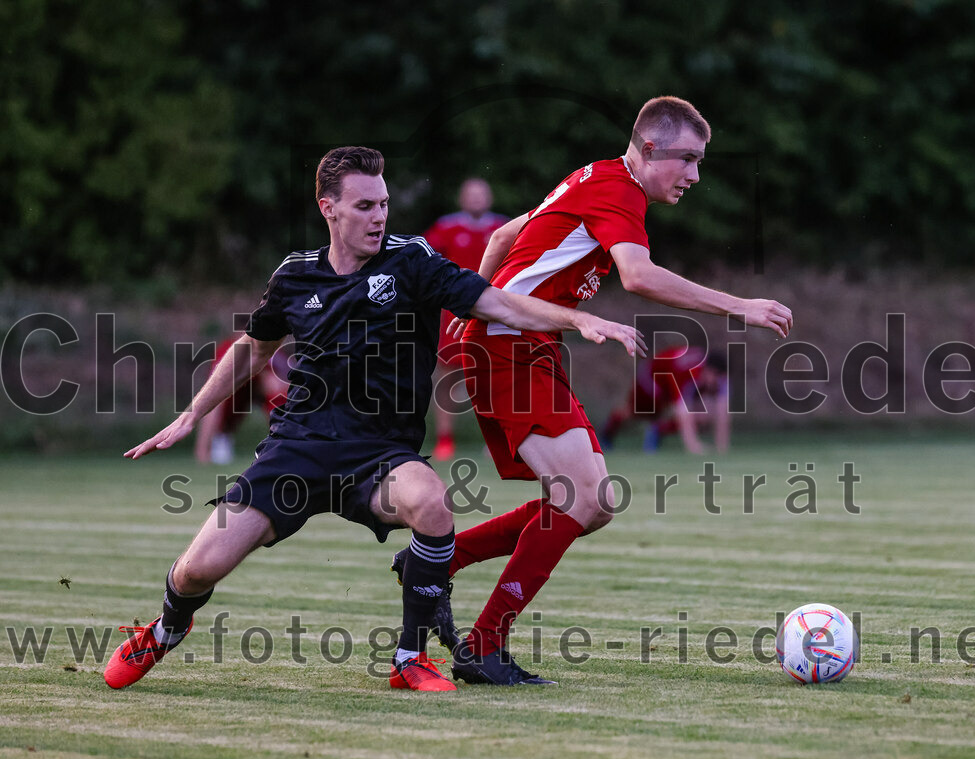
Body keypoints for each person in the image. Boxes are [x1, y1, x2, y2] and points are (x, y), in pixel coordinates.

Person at [103, 146, 643, 693]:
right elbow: (252, 350)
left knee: (431, 501)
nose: (379, 216)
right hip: (297, 450)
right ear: (328, 208)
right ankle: (166, 628)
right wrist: (193, 413)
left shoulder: (412, 260)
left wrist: (576, 319)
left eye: (384, 204)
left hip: (379, 455)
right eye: (364, 205)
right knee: (197, 570)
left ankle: (409, 658)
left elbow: (499, 304)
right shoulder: (295, 275)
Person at [395, 96, 792, 685]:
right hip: (507, 347)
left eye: (701, 162)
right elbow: (637, 276)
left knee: (593, 503)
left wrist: (472, 299)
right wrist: (738, 306)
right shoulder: (618, 189)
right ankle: (482, 644)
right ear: (650, 149)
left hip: (523, 344)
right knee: (580, 498)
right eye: (688, 159)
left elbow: (505, 235)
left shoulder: (598, 177)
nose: (695, 176)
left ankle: (437, 560)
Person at [423, 179, 509, 460]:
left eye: (480, 194)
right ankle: (445, 440)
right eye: (470, 195)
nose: (476, 200)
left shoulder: (503, 228)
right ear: (462, 198)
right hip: (455, 315)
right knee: (448, 378)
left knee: (497, 378)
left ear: (490, 197)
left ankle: (500, 440)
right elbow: (425, 263)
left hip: (494, 312)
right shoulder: (446, 227)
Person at [602, 345, 730, 454]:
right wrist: (693, 447)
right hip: (651, 381)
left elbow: (722, 409)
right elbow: (682, 411)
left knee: (703, 416)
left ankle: (657, 430)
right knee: (635, 413)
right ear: (708, 371)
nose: (716, 384)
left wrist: (722, 448)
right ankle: (606, 435)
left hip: (669, 383)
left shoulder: (713, 374)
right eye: (716, 378)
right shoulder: (686, 371)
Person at [193, 336, 290, 464]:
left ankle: (287, 443)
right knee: (217, 394)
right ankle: (208, 447)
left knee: (277, 391)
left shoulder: (274, 351)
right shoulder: (231, 349)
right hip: (235, 390)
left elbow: (286, 383)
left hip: (262, 384)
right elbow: (214, 389)